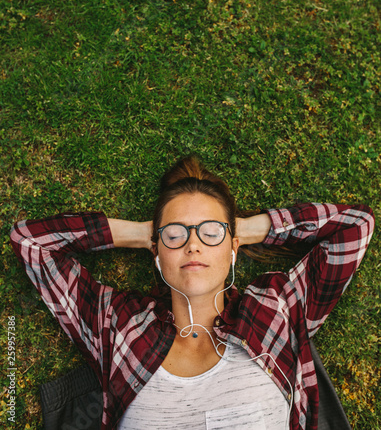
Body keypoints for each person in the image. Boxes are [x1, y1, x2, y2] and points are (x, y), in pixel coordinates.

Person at [10, 156, 374, 430]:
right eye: (176, 234)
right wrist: (140, 234)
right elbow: (31, 243)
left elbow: (356, 227)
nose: (193, 245)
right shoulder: (118, 325)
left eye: (210, 232)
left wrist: (246, 229)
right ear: (157, 251)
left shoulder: (274, 308)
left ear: (232, 247)